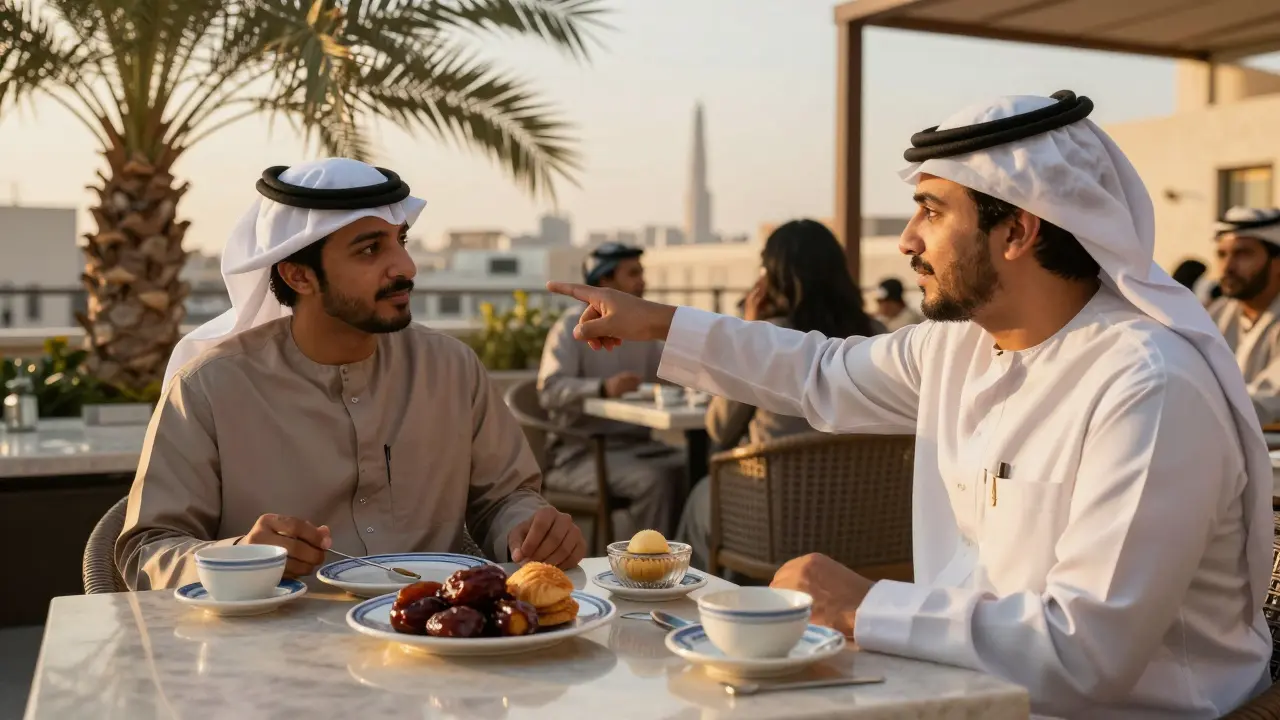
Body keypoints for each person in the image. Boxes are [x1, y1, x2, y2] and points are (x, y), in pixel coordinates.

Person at [547, 91, 1272, 718]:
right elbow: (819, 370)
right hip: (968, 689)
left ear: (1018, 230)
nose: (906, 240)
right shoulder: (958, 346)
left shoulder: (1149, 384)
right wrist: (658, 322)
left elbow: (1088, 653)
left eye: (931, 211)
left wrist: (866, 604)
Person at [117, 158, 585, 591]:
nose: (405, 267)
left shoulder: (452, 369)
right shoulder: (209, 388)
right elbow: (149, 548)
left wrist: (528, 528)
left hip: (438, 640)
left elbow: (505, 497)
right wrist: (243, 557)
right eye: (369, 249)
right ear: (299, 276)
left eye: (399, 241)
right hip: (272, 657)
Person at [676, 220, 882, 569]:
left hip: (775, 520)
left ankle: (705, 610)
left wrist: (745, 334)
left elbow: (720, 427)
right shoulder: (878, 339)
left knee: (701, 497)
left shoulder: (768, 341)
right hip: (866, 521)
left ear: (773, 278)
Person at [537, 242, 685, 538]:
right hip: (581, 453)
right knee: (655, 481)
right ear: (605, 282)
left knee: (694, 466)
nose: (642, 280)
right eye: (633, 273)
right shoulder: (570, 327)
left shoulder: (644, 331)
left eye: (641, 271)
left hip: (640, 446)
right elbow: (549, 390)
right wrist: (603, 388)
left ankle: (685, 562)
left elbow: (672, 379)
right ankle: (649, 569)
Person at [1208, 207, 1280, 425]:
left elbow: (1268, 402)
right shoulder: (1216, 314)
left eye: (1243, 254)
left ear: (1277, 262)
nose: (1227, 267)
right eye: (1222, 254)